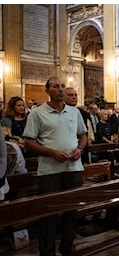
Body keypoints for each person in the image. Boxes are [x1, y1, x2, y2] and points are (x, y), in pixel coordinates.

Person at [23, 76, 88, 255]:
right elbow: (28, 142)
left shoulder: (75, 112)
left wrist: (80, 149)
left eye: (62, 86)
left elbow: (83, 135)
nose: (60, 89)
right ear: (48, 91)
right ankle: (47, 253)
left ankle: (67, 249)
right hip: (49, 170)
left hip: (73, 168)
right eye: (56, 87)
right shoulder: (37, 113)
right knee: (49, 213)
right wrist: (52, 152)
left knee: (71, 211)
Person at [65, 87, 91, 164]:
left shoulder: (82, 113)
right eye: (70, 95)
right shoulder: (60, 112)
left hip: (81, 149)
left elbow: (86, 132)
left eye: (75, 95)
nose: (74, 97)